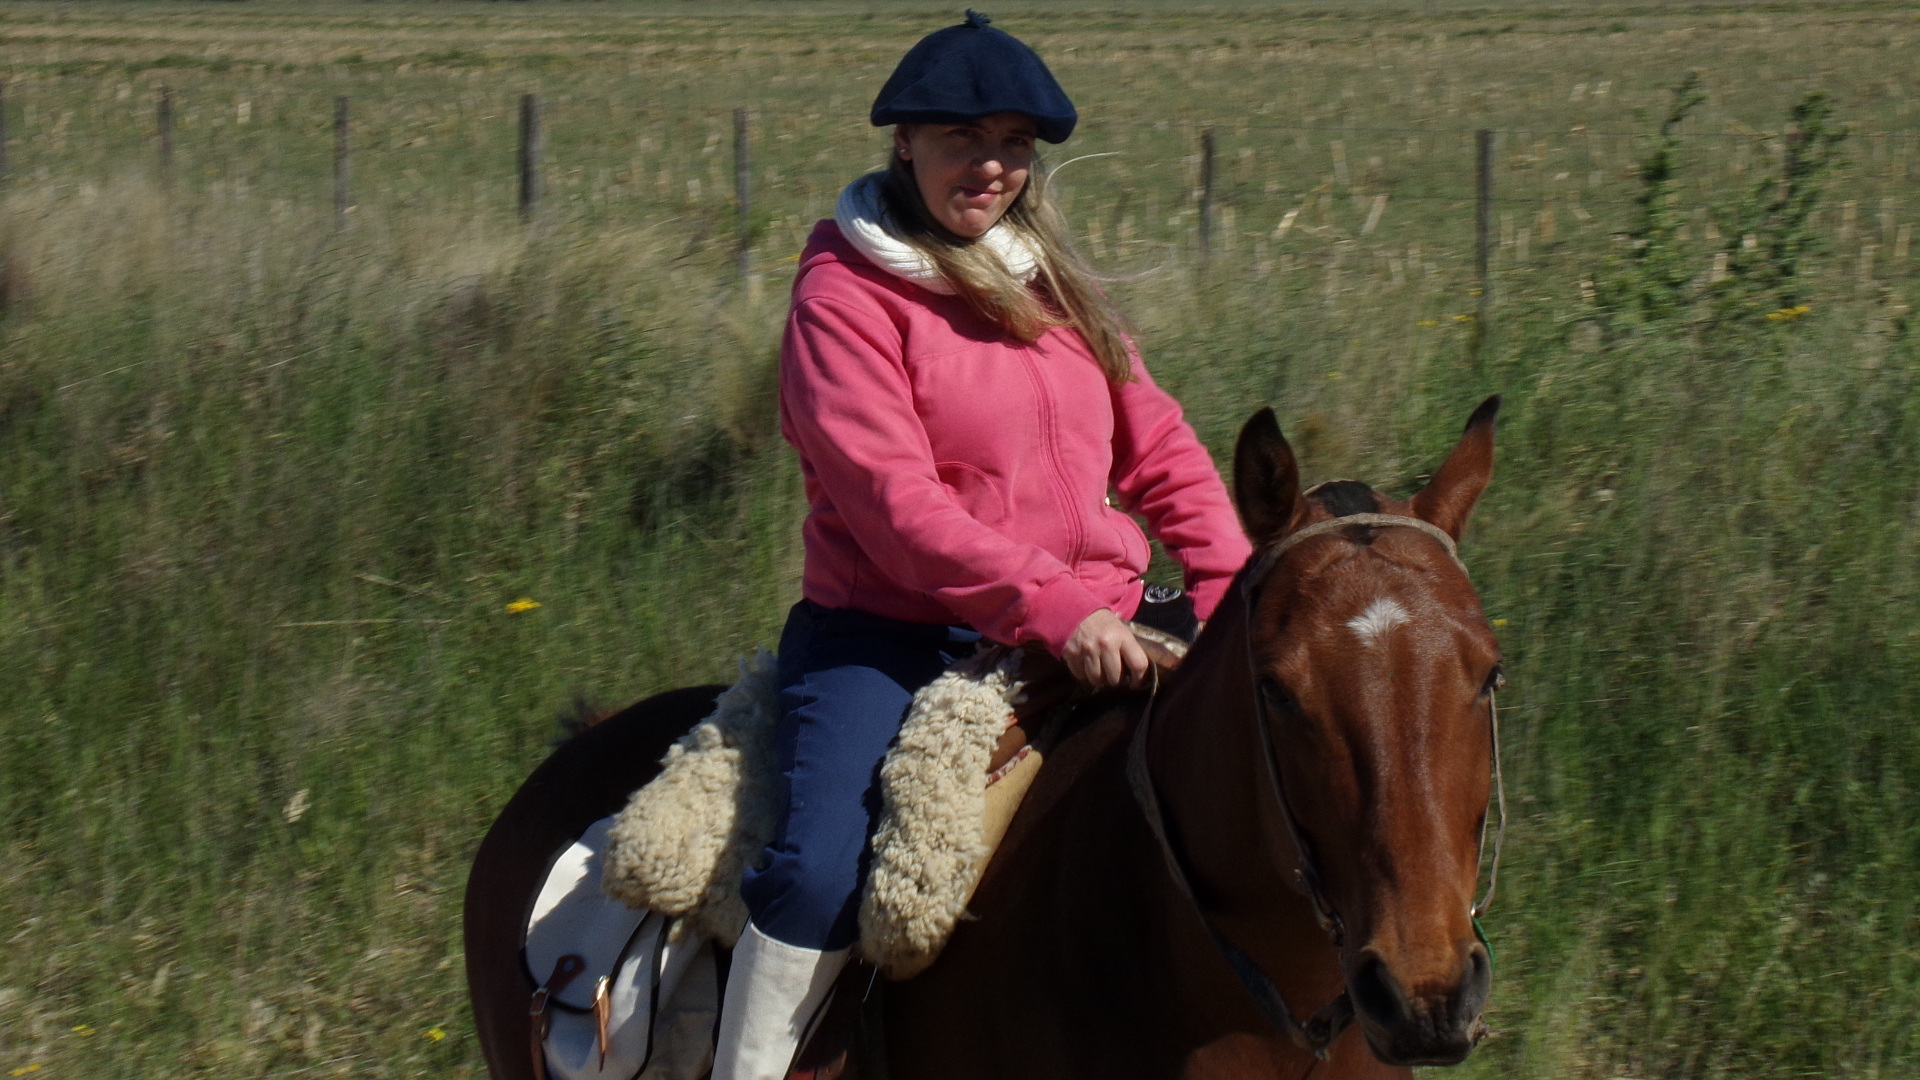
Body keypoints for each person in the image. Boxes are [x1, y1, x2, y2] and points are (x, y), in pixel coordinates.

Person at [714, 12, 1254, 1078]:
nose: (992, 165)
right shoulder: (843, 297)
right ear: (905, 141)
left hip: (1105, 615)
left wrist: (1231, 590)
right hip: (898, 635)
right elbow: (897, 509)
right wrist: (1059, 609)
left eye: (1012, 142)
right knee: (819, 875)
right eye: (963, 138)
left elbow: (1159, 445)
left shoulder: (1054, 284)